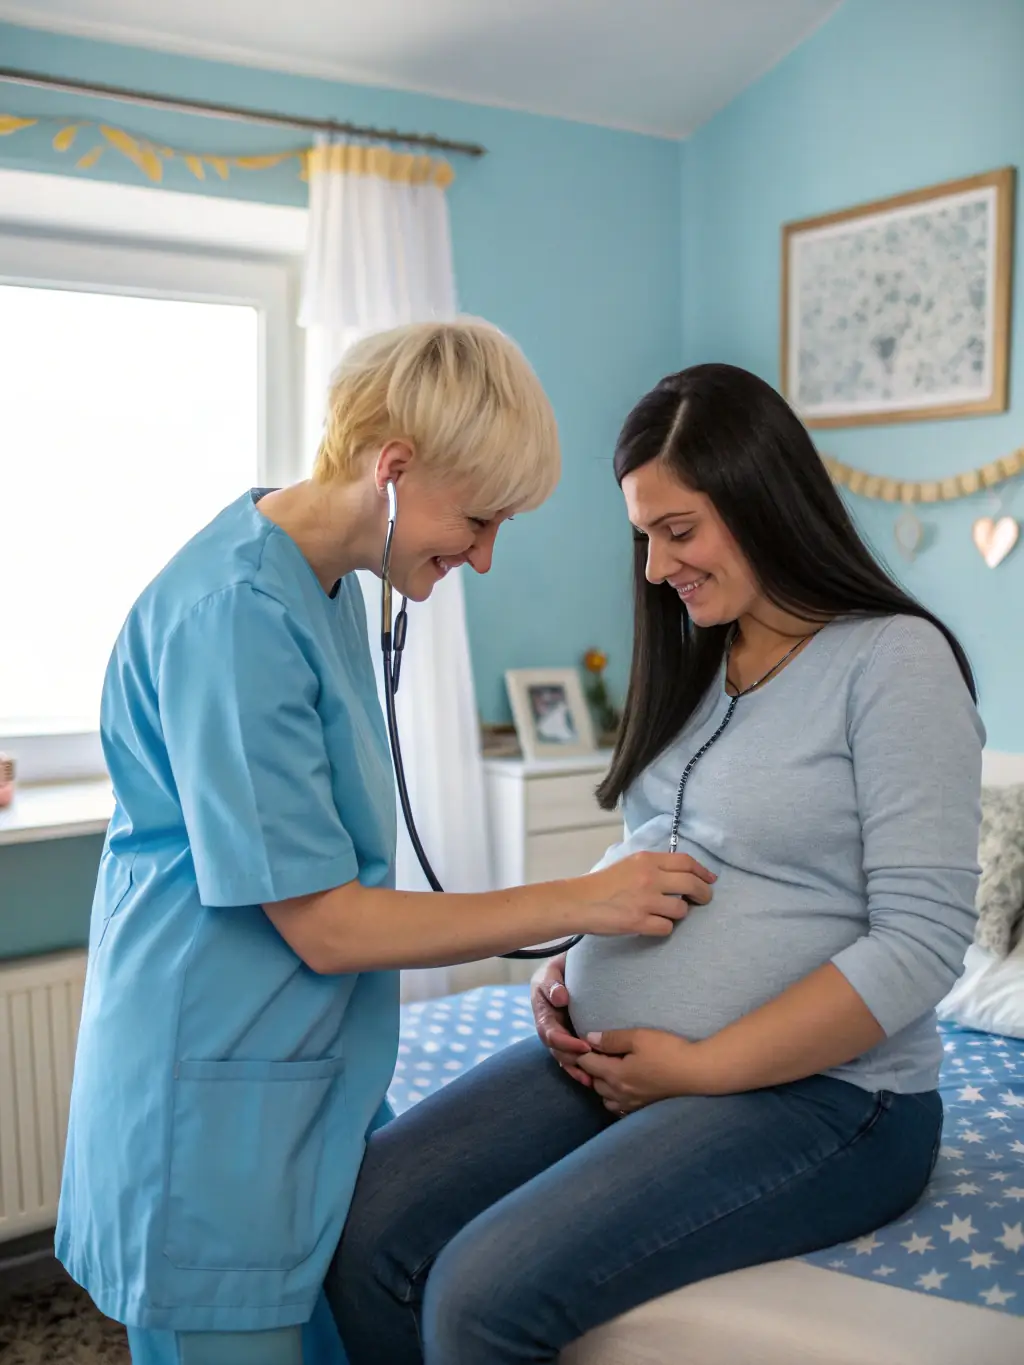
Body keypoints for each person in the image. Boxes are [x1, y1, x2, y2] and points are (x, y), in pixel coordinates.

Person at [55, 320, 710, 1365]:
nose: (484, 560)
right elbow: (324, 920)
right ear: (393, 468)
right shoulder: (234, 614)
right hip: (208, 1104)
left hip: (296, 1081)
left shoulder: (320, 585)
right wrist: (585, 900)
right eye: (478, 521)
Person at [327, 362, 984, 1365]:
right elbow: (652, 837)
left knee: (476, 1295)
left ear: (763, 500)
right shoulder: (697, 652)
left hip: (834, 1099)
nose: (653, 567)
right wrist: (572, 950)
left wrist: (702, 1069)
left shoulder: (891, 662)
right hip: (617, 1061)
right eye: (643, 536)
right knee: (365, 1226)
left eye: (677, 532)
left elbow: (924, 941)